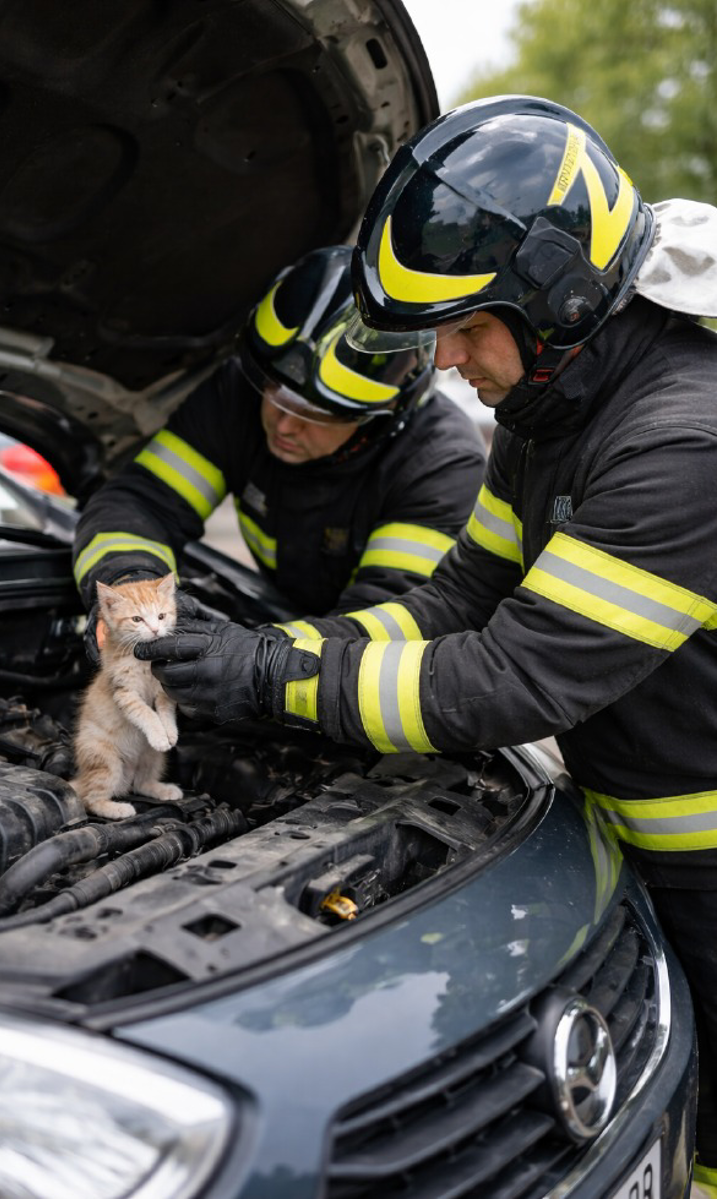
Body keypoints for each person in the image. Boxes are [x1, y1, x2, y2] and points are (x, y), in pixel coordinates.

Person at [135, 96, 717, 1190]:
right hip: (633, 845)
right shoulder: (555, 419)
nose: (443, 361)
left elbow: (506, 680)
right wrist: (275, 652)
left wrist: (271, 681)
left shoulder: (681, 440)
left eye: (464, 325)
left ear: (558, 300)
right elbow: (454, 603)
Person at [73, 244, 486, 632]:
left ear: (377, 420)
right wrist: (130, 589)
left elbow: (383, 621)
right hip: (285, 613)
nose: (284, 425)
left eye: (317, 414)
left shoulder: (440, 463)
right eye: (274, 392)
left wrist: (245, 661)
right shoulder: (237, 395)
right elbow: (142, 502)